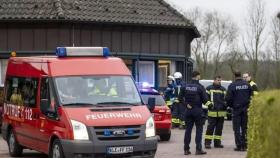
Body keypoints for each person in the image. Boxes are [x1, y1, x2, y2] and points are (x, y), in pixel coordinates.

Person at [179, 71, 212, 155]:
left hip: (188, 111)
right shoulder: (200, 87)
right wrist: (211, 105)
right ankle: (198, 149)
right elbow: (205, 101)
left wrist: (186, 105)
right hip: (198, 111)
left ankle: (186, 149)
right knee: (199, 131)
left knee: (188, 131)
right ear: (197, 76)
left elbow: (179, 98)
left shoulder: (184, 86)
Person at [226, 71, 252, 151]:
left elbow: (228, 98)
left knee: (236, 128)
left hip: (236, 109)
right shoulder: (247, 85)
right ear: (241, 76)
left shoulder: (232, 85)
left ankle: (239, 145)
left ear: (235, 76)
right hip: (245, 109)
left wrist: (231, 106)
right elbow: (251, 96)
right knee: (245, 128)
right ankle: (245, 145)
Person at [204, 76, 227, 149]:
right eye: (218, 80)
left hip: (221, 113)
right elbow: (205, 98)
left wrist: (225, 105)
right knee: (210, 128)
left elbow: (226, 99)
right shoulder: (208, 88)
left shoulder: (223, 89)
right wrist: (210, 105)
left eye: (220, 80)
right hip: (212, 112)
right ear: (214, 80)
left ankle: (217, 143)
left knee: (219, 129)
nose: (219, 81)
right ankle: (207, 143)